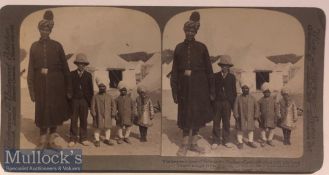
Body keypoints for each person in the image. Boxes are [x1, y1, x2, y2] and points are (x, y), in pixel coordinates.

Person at [170, 11, 215, 156]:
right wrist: (174, 91)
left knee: (197, 115)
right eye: (187, 30)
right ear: (184, 31)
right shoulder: (178, 48)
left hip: (200, 87)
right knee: (185, 115)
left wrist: (211, 90)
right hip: (184, 87)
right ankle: (183, 145)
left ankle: (194, 144)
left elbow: (209, 70)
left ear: (195, 32)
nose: (190, 33)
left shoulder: (202, 47)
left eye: (192, 30)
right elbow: (175, 71)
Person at [27, 10, 72, 149]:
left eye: (47, 29)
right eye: (42, 29)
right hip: (40, 86)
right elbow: (30, 70)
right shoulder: (34, 46)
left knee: (54, 114)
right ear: (39, 30)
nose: (44, 32)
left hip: (56, 86)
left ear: (50, 31)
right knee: (42, 113)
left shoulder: (57, 46)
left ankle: (51, 142)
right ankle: (41, 143)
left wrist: (69, 88)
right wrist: (32, 91)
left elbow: (66, 69)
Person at [212, 55, 237, 149]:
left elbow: (234, 91)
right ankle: (215, 140)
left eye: (226, 66)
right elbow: (212, 90)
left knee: (226, 122)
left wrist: (233, 104)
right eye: (223, 65)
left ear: (229, 67)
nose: (224, 67)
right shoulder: (215, 76)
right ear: (220, 66)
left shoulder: (232, 77)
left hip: (227, 103)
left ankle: (226, 140)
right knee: (216, 121)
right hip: (217, 102)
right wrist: (213, 101)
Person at [68, 53, 94, 147]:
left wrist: (90, 104)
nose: (81, 65)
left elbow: (91, 90)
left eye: (83, 64)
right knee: (73, 120)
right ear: (77, 64)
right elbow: (69, 88)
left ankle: (83, 138)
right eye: (79, 63)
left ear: (85, 65)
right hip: (74, 101)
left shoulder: (88, 75)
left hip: (84, 101)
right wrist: (69, 100)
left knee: (84, 120)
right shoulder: (71, 74)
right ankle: (72, 138)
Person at [233, 82, 259, 149]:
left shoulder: (252, 98)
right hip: (241, 116)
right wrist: (236, 115)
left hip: (250, 116)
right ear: (242, 89)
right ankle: (240, 142)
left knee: (250, 129)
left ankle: (250, 141)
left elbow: (257, 107)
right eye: (243, 88)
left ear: (249, 89)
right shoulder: (238, 98)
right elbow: (235, 107)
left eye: (246, 88)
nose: (245, 90)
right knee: (240, 129)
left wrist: (256, 115)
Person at [90, 83, 116, 147]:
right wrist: (94, 114)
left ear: (105, 88)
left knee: (107, 127)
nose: (102, 88)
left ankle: (107, 139)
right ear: (99, 88)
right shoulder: (95, 97)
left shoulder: (109, 96)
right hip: (98, 115)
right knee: (97, 127)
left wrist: (113, 113)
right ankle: (97, 140)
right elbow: (92, 106)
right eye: (100, 87)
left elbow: (114, 105)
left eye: (103, 87)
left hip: (107, 115)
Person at [258, 82, 279, 147]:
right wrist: (259, 117)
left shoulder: (273, 100)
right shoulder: (260, 100)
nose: (267, 93)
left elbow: (276, 109)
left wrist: (276, 116)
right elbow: (257, 110)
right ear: (263, 93)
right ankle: (264, 139)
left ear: (270, 93)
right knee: (262, 128)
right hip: (263, 117)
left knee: (272, 128)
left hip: (271, 117)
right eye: (265, 92)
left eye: (268, 92)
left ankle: (270, 139)